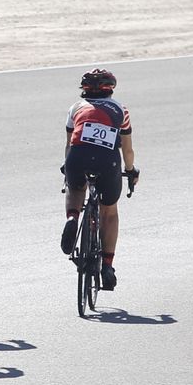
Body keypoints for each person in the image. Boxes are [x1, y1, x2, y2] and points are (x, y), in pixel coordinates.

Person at [60, 68, 139, 290]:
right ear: (110, 89)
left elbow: (69, 145)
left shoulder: (75, 107)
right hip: (108, 160)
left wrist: (67, 168)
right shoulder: (120, 109)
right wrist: (131, 171)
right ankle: (107, 265)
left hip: (78, 156)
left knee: (75, 189)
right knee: (109, 210)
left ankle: (72, 219)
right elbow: (127, 149)